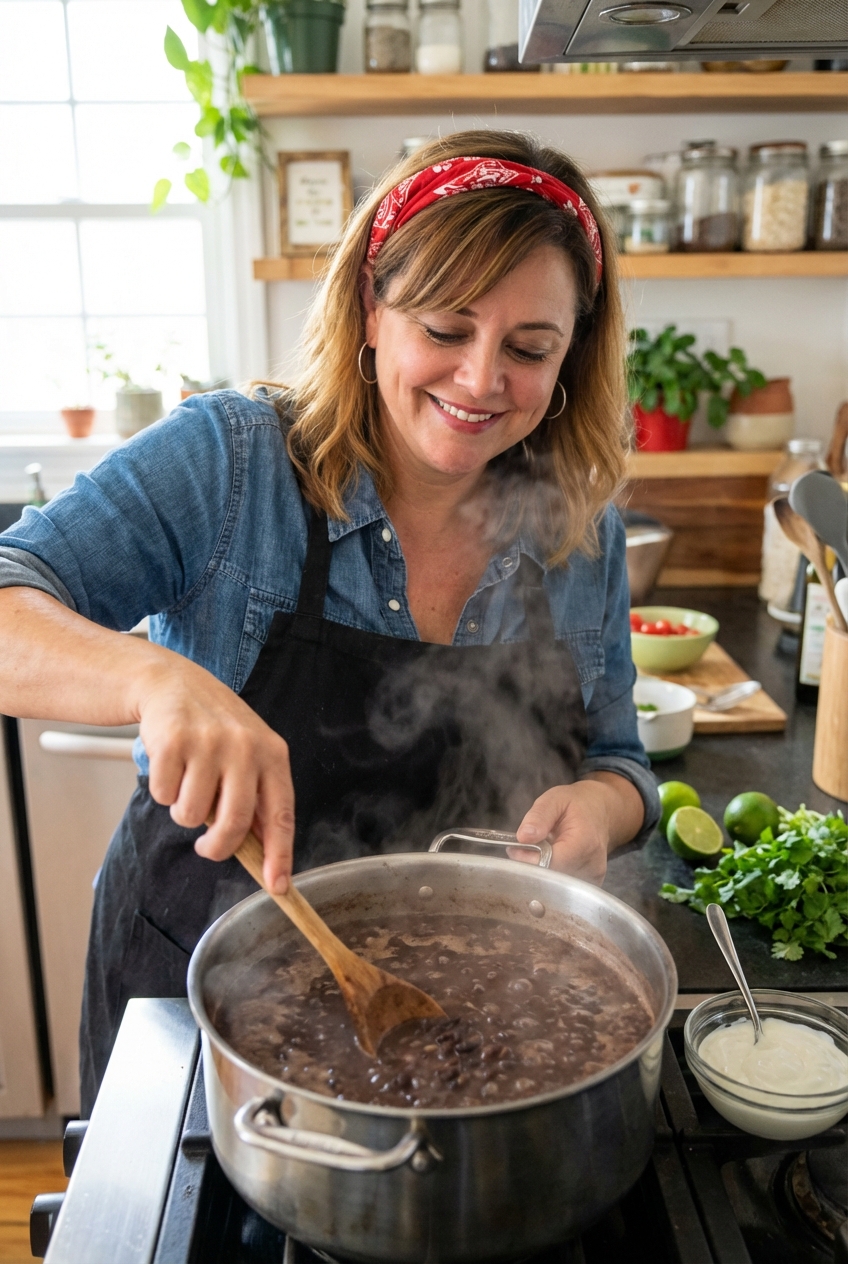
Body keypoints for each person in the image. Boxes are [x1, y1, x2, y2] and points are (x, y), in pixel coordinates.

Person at [0, 130, 659, 1114]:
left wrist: (600, 807)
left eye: (528, 349)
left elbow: (618, 757)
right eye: (445, 328)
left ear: (570, 357)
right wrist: (152, 680)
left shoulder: (580, 534)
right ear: (370, 308)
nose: (481, 380)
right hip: (192, 994)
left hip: (467, 1007)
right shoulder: (229, 463)